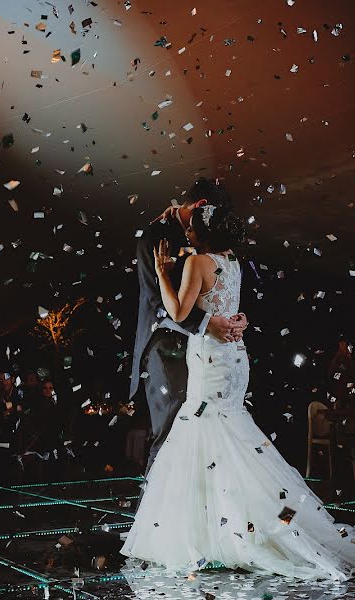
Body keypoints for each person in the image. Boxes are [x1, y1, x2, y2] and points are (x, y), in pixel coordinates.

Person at [121, 201, 355, 579]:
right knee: (228, 431)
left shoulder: (198, 263)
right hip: (233, 357)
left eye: (192, 230)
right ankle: (232, 521)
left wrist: (164, 274)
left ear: (201, 232)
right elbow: (226, 307)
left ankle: (215, 529)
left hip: (212, 359)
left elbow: (179, 313)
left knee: (206, 429)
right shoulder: (232, 263)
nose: (188, 236)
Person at [131, 177, 248, 478]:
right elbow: (158, 302)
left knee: (212, 430)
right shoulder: (155, 235)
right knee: (174, 429)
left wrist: (239, 318)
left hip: (211, 353)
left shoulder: (215, 243)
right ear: (201, 207)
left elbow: (223, 287)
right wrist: (208, 324)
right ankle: (155, 517)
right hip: (167, 345)